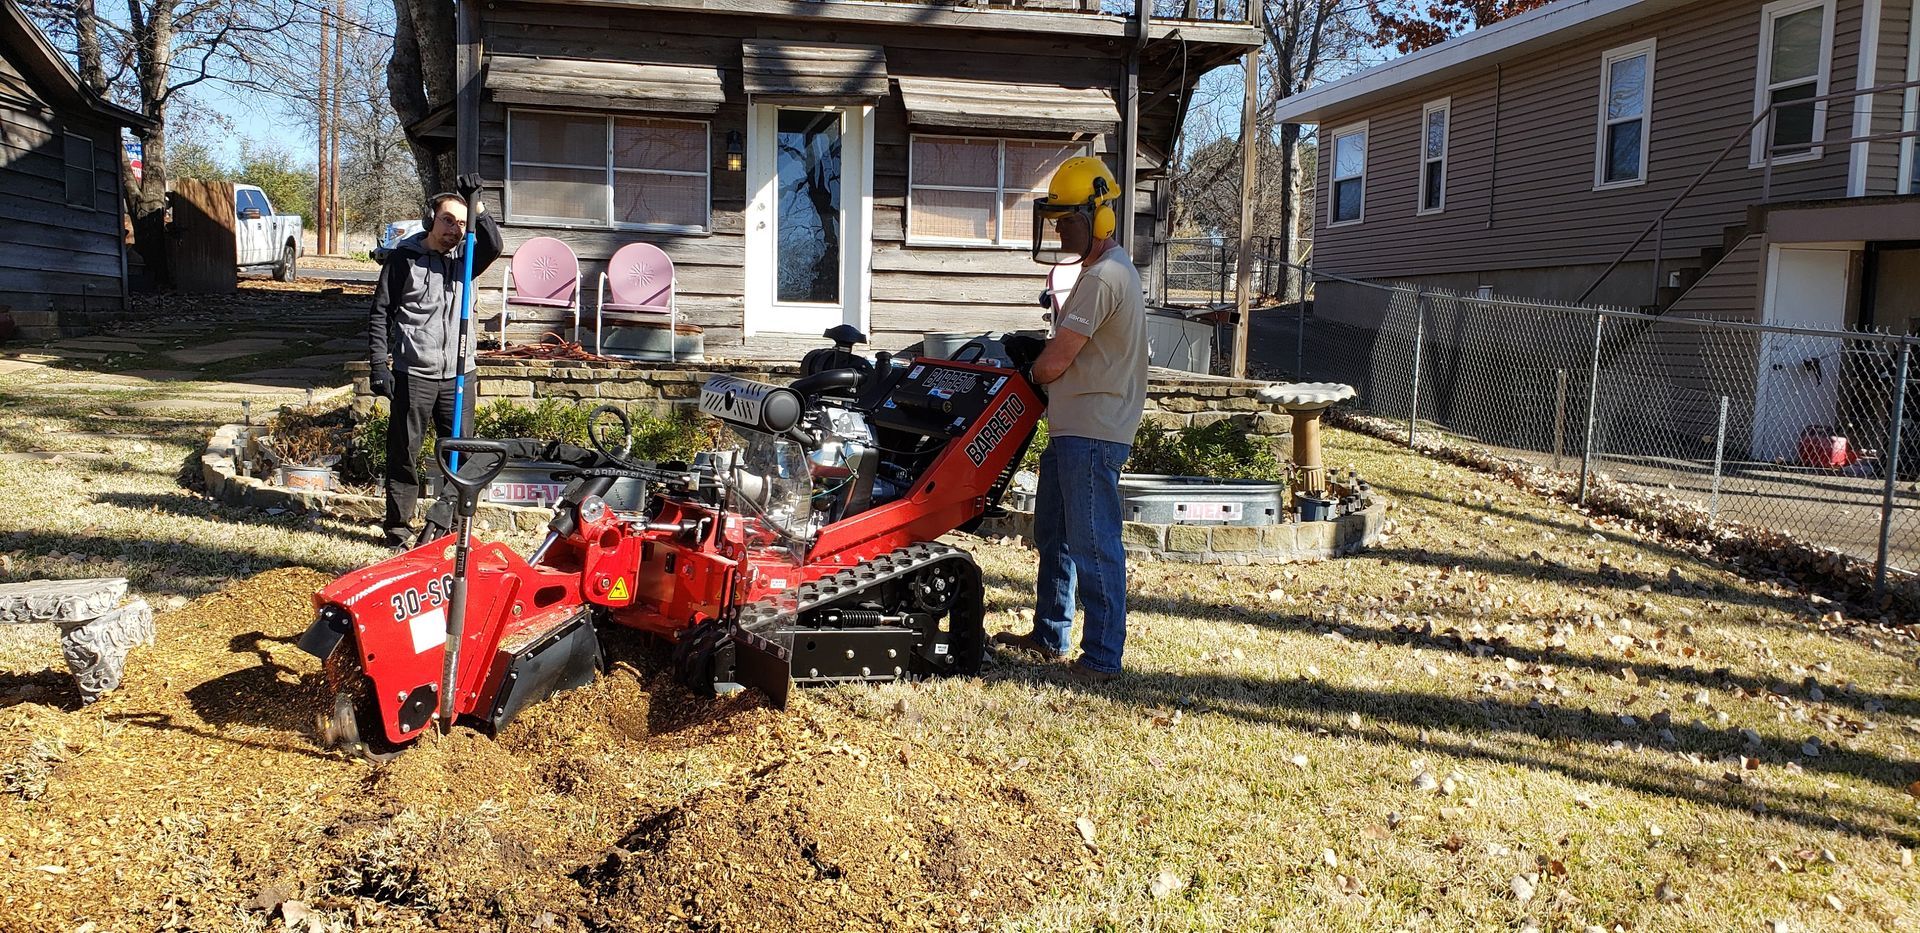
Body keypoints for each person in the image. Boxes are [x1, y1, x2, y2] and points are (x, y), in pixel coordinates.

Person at [993, 156, 1147, 684]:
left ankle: (1103, 657)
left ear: (1099, 217)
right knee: (1055, 534)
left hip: (1093, 430)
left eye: (1068, 221)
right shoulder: (1099, 272)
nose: (1059, 230)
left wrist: (1026, 368)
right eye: (1055, 220)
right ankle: (1050, 632)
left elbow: (1056, 361)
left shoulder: (1105, 277)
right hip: (1073, 425)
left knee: (1093, 541)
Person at [369, 174, 503, 548]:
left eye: (462, 223)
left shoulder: (467, 260)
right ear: (430, 220)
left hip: (461, 374)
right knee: (404, 452)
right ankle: (398, 528)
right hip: (415, 373)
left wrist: (477, 205)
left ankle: (445, 528)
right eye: (448, 220)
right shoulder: (404, 259)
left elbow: (495, 243)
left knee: (459, 455)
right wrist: (379, 363)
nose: (455, 229)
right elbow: (381, 312)